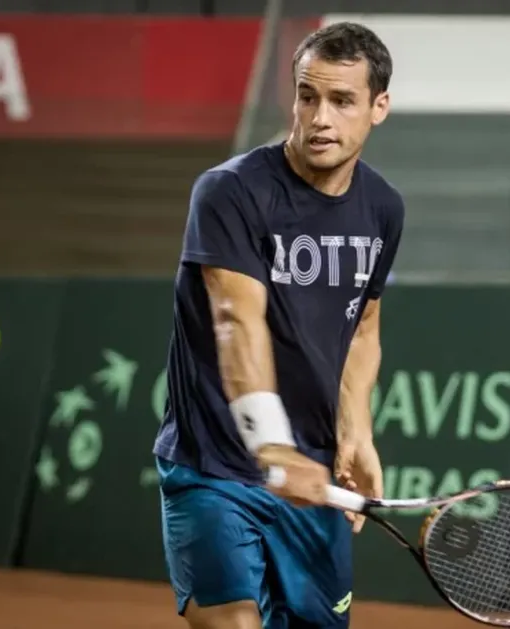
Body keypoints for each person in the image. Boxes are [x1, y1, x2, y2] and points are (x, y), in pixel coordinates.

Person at [152, 21, 404, 629]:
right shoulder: (230, 191)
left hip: (312, 476)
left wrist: (357, 430)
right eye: (307, 95)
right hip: (215, 466)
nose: (320, 117)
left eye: (342, 101)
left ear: (378, 108)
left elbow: (362, 326)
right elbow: (237, 320)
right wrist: (271, 445)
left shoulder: (383, 207)